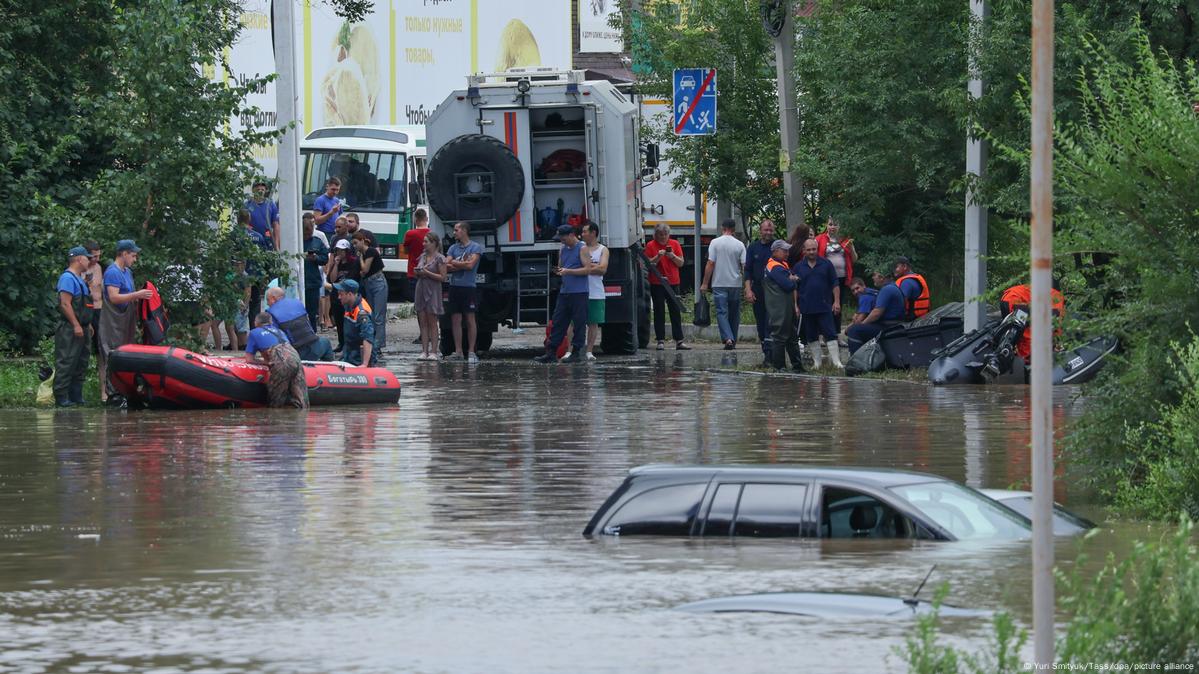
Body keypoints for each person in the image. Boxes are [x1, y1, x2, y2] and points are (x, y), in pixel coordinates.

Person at [99, 239, 152, 401]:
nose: (135, 259)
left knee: (125, 353)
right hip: (113, 321)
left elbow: (129, 294)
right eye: (133, 256)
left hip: (126, 320)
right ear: (124, 254)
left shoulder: (127, 272)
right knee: (112, 353)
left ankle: (124, 391)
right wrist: (137, 295)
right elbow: (114, 297)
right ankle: (111, 393)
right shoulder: (112, 272)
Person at [535, 225, 591, 364]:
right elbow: (562, 267)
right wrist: (559, 271)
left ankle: (577, 352)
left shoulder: (582, 248)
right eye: (560, 238)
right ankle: (551, 352)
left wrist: (568, 271)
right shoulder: (562, 249)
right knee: (558, 321)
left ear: (572, 235)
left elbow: (587, 269)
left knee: (579, 322)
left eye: (563, 237)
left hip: (579, 292)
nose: (562, 240)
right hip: (565, 291)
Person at [53, 247, 95, 407]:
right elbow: (65, 304)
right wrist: (76, 325)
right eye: (87, 258)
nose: (89, 261)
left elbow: (85, 305)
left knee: (81, 362)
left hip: (82, 327)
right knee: (67, 360)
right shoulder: (67, 278)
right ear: (78, 259)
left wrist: (88, 324)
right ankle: (61, 397)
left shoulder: (80, 279)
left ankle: (76, 396)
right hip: (70, 328)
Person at [794, 238, 842, 368]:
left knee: (831, 333)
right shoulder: (798, 267)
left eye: (814, 249)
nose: (811, 252)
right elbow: (795, 288)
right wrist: (795, 305)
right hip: (806, 307)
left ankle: (836, 362)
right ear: (804, 251)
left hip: (825, 305)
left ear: (817, 249)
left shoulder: (826, 264)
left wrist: (836, 302)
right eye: (808, 250)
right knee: (811, 335)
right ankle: (817, 363)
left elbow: (835, 284)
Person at [245, 312, 308, 408]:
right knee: (301, 402)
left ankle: (276, 421)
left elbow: (249, 359)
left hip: (281, 360)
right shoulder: (279, 331)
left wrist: (266, 363)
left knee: (275, 404)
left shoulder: (254, 332)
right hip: (295, 356)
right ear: (271, 322)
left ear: (256, 323)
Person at [700, 218, 747, 350]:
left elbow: (710, 263)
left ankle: (728, 338)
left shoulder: (715, 243)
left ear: (722, 227)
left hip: (719, 283)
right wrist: (747, 286)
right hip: (735, 284)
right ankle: (733, 338)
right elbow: (744, 266)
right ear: (733, 229)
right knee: (734, 313)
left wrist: (705, 283)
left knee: (721, 312)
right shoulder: (740, 245)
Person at [645, 223, 690, 350]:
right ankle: (660, 340)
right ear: (655, 235)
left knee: (675, 311)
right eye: (660, 234)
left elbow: (681, 263)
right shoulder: (651, 245)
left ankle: (679, 340)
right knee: (659, 311)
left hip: (673, 281)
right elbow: (648, 264)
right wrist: (658, 256)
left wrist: (672, 256)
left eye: (665, 234)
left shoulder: (674, 244)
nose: (663, 237)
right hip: (657, 282)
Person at [445, 221, 484, 363]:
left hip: (469, 287)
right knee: (455, 319)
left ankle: (472, 351)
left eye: (456, 230)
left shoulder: (476, 247)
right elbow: (445, 266)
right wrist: (460, 264)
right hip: (454, 287)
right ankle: (458, 351)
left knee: (470, 319)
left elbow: (471, 265)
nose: (454, 233)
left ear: (464, 231)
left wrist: (455, 263)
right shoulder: (453, 248)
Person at [1000, 282, 1065, 364]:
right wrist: (1058, 343)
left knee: (1013, 332)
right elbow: (1056, 323)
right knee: (1029, 331)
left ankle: (1010, 354)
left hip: (1007, 299)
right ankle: (1025, 360)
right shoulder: (1058, 297)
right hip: (1014, 300)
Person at [763, 240, 803, 372]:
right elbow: (789, 285)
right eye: (784, 250)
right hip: (779, 308)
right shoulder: (774, 266)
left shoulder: (782, 265)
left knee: (792, 336)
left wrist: (792, 279)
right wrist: (793, 279)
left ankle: (797, 366)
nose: (787, 253)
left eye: (787, 250)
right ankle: (779, 367)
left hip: (786, 307)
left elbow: (791, 280)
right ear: (775, 251)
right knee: (780, 337)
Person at [846, 270, 909, 354]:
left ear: (881, 277)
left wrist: (861, 324)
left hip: (889, 326)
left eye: (874, 275)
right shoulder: (891, 287)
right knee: (860, 328)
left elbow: (876, 313)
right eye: (853, 290)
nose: (873, 278)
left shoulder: (886, 289)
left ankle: (857, 361)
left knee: (854, 330)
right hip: (894, 324)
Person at [265, 287, 334, 361]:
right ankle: (329, 367)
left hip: (296, 355)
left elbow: (274, 339)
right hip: (315, 346)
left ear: (273, 298)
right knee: (326, 342)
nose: (267, 303)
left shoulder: (270, 312)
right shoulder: (297, 302)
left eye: (268, 300)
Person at [743, 219, 776, 362]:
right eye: (765, 230)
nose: (768, 233)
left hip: (774, 290)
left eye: (770, 230)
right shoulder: (753, 247)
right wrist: (748, 290)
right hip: (757, 289)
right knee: (761, 322)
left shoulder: (777, 246)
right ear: (760, 231)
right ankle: (765, 351)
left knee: (770, 322)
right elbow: (747, 270)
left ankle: (771, 354)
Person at [815, 217, 857, 326]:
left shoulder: (845, 240)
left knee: (838, 305)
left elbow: (854, 259)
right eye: (830, 224)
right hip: (825, 277)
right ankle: (823, 334)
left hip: (842, 277)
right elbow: (811, 255)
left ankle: (836, 333)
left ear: (839, 227)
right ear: (826, 226)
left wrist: (851, 248)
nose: (832, 227)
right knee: (825, 304)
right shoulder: (820, 239)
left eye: (835, 225)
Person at [412, 230, 447, 360]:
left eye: (426, 242)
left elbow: (443, 277)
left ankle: (434, 351)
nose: (423, 244)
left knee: (432, 321)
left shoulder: (440, 258)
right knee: (423, 322)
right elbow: (419, 271)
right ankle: (424, 351)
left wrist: (426, 272)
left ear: (434, 243)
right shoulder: (422, 256)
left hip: (433, 290)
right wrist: (418, 272)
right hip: (420, 288)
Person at [353, 231, 388, 358]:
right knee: (372, 314)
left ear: (362, 240)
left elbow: (365, 269)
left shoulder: (371, 252)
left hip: (378, 282)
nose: (355, 246)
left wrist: (360, 258)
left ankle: (378, 346)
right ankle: (372, 343)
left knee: (379, 315)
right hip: (369, 282)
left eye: (356, 243)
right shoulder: (364, 253)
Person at [330, 279, 376, 367]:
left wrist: (364, 364)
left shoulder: (362, 313)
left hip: (358, 358)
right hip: (349, 354)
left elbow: (368, 339)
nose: (339, 297)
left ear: (350, 294)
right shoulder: (348, 305)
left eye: (341, 294)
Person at [581, 220, 609, 361]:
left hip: (596, 291)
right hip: (579, 291)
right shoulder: (580, 248)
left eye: (585, 231)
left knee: (593, 322)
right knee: (573, 321)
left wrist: (585, 267)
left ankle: (589, 351)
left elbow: (603, 269)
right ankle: (571, 351)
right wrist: (593, 266)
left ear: (593, 233)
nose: (582, 234)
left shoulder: (603, 250)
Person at [325, 236, 357, 353]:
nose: (340, 253)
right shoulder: (336, 263)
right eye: (338, 250)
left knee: (348, 321)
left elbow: (353, 279)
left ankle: (349, 343)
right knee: (338, 320)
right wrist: (336, 265)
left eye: (342, 250)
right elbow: (332, 280)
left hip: (347, 295)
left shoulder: (353, 262)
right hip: (336, 295)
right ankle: (341, 342)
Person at [302, 216, 329, 331]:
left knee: (312, 311)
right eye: (305, 234)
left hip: (312, 281)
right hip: (299, 280)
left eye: (309, 234)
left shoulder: (317, 242)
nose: (307, 236)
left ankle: (313, 331)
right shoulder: (295, 241)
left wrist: (316, 258)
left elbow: (325, 258)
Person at [403, 207, 431, 309]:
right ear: (426, 219)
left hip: (414, 271)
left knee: (418, 304)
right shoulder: (431, 233)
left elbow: (406, 251)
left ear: (415, 219)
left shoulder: (410, 234)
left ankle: (422, 324)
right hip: (429, 271)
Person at [245, 180, 280, 250]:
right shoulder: (247, 205)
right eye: (258, 189)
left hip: (267, 241)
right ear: (253, 190)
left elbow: (276, 225)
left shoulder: (270, 205)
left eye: (262, 189)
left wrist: (276, 245)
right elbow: (243, 225)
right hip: (252, 241)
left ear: (265, 191)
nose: (260, 191)